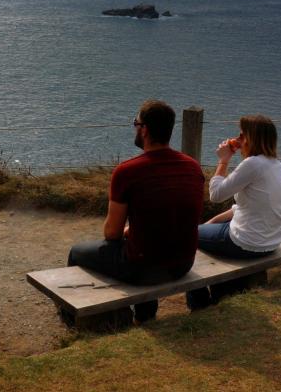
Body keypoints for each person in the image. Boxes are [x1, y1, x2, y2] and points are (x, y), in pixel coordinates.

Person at [67, 100, 205, 323]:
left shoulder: (127, 172)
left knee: (78, 252)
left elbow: (111, 233)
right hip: (183, 264)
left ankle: (83, 320)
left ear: (145, 129)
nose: (135, 128)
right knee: (140, 244)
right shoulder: (192, 166)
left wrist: (126, 230)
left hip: (143, 269)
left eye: (135, 123)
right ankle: (144, 315)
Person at [186, 114, 281, 309]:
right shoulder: (276, 164)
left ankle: (198, 304)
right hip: (271, 240)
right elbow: (245, 207)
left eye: (242, 135)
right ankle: (221, 292)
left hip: (246, 242)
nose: (238, 139)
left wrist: (223, 161)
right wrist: (211, 224)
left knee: (186, 236)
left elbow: (215, 194)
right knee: (203, 232)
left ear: (251, 139)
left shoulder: (252, 164)